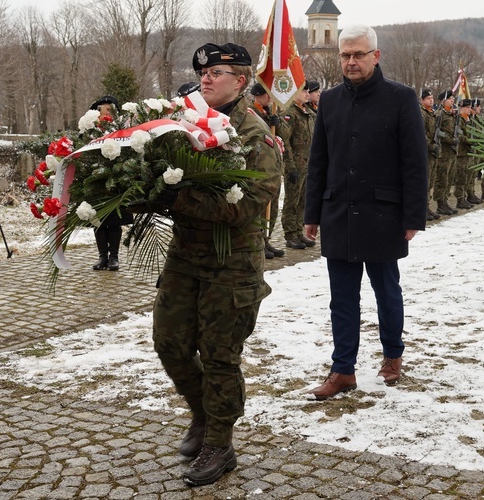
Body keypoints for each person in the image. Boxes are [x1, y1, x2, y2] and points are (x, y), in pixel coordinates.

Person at [152, 42, 280, 486]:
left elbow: (250, 203)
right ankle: (203, 414)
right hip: (185, 257)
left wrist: (179, 196)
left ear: (240, 81)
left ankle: (220, 444)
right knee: (169, 343)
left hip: (232, 265)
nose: (206, 78)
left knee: (220, 355)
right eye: (203, 72)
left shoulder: (253, 133)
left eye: (218, 72)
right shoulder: (182, 122)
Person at [303, 24, 427, 399]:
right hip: (338, 212)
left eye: (358, 54)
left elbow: (415, 163)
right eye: (345, 55)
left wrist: (412, 218)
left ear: (376, 55)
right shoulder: (330, 100)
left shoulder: (401, 98)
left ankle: (393, 354)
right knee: (341, 298)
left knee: (386, 290)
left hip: (383, 215)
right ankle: (343, 370)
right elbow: (318, 161)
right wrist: (312, 213)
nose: (351, 61)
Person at [87, 95, 133, 271]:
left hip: (116, 181)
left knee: (114, 221)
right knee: (98, 220)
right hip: (96, 181)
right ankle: (102, 257)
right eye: (100, 109)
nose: (103, 112)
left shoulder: (120, 129)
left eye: (107, 109)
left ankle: (114, 257)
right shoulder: (90, 130)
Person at [248, 82, 284, 259]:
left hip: (272, 166)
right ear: (257, 95)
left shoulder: (270, 112)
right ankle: (259, 241)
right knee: (261, 206)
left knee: (273, 205)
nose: (270, 98)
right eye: (266, 95)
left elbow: (279, 136)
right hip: (258, 165)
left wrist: (277, 123)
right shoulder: (251, 112)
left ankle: (267, 239)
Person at [277, 84, 315, 250]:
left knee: (303, 200)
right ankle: (290, 234)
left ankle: (298, 231)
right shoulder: (289, 113)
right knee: (292, 199)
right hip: (295, 164)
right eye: (304, 91)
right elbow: (286, 141)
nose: (308, 94)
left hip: (309, 163)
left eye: (308, 91)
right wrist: (290, 165)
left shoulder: (307, 112)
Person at [433, 90, 459, 216]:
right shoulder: (439, 114)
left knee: (449, 178)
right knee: (442, 179)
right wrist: (450, 140)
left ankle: (445, 200)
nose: (452, 100)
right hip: (443, 152)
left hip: (452, 152)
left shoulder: (452, 114)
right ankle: (440, 204)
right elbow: (438, 133)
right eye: (450, 99)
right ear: (443, 100)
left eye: (453, 99)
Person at [419, 88, 440, 222]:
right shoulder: (421, 113)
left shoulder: (432, 113)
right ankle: (422, 209)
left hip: (433, 153)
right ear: (422, 100)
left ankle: (427, 207)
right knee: (424, 183)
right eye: (428, 98)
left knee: (431, 182)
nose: (431, 100)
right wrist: (431, 146)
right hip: (425, 152)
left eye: (432, 98)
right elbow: (422, 133)